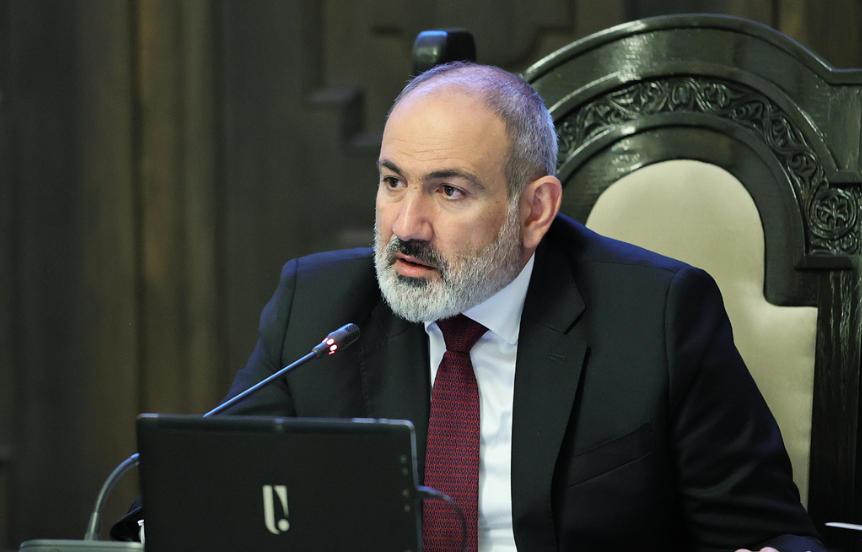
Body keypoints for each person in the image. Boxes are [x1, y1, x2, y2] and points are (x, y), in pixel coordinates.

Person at [113, 62, 824, 552]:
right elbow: (202, 499)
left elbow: (768, 532)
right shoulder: (320, 308)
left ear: (535, 209)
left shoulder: (657, 318)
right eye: (393, 182)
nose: (406, 225)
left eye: (449, 191)